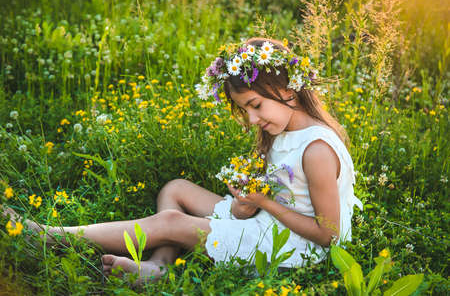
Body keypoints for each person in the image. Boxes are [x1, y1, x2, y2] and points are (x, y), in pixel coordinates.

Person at [2, 37, 362, 285]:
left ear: (287, 89)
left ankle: (50, 237)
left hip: (299, 247)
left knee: (172, 220)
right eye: (244, 110)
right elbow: (271, 196)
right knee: (176, 189)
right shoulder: (280, 129)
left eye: (255, 105)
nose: (252, 119)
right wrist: (244, 206)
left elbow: (328, 235)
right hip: (270, 219)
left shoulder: (316, 149)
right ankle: (158, 267)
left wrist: (263, 203)